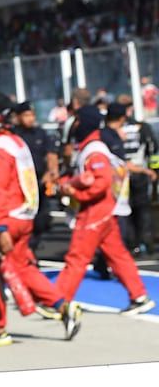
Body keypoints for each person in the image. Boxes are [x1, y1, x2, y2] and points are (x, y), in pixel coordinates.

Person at [0, 95, 80, 346]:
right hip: (24, 216)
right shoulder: (17, 142)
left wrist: (0, 227)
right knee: (22, 267)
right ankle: (63, 306)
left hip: (3, 220)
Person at [56, 104, 154, 315]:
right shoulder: (89, 146)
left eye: (77, 121)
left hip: (95, 209)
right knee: (117, 254)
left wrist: (75, 193)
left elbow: (100, 183)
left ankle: (57, 301)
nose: (74, 125)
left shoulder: (93, 149)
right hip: (105, 208)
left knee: (77, 256)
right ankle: (139, 296)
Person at [112, 94, 158, 252]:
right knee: (142, 208)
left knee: (126, 209)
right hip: (140, 172)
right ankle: (145, 241)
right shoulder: (141, 126)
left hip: (121, 175)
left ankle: (132, 244)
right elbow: (153, 151)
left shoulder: (115, 129)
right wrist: (154, 170)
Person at [11, 102, 58, 254]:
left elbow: (51, 154)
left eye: (32, 115)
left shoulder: (40, 133)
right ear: (18, 117)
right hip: (20, 182)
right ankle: (26, 246)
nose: (30, 119)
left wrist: (51, 172)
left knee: (41, 217)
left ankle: (34, 241)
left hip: (39, 180)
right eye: (26, 115)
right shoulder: (14, 135)